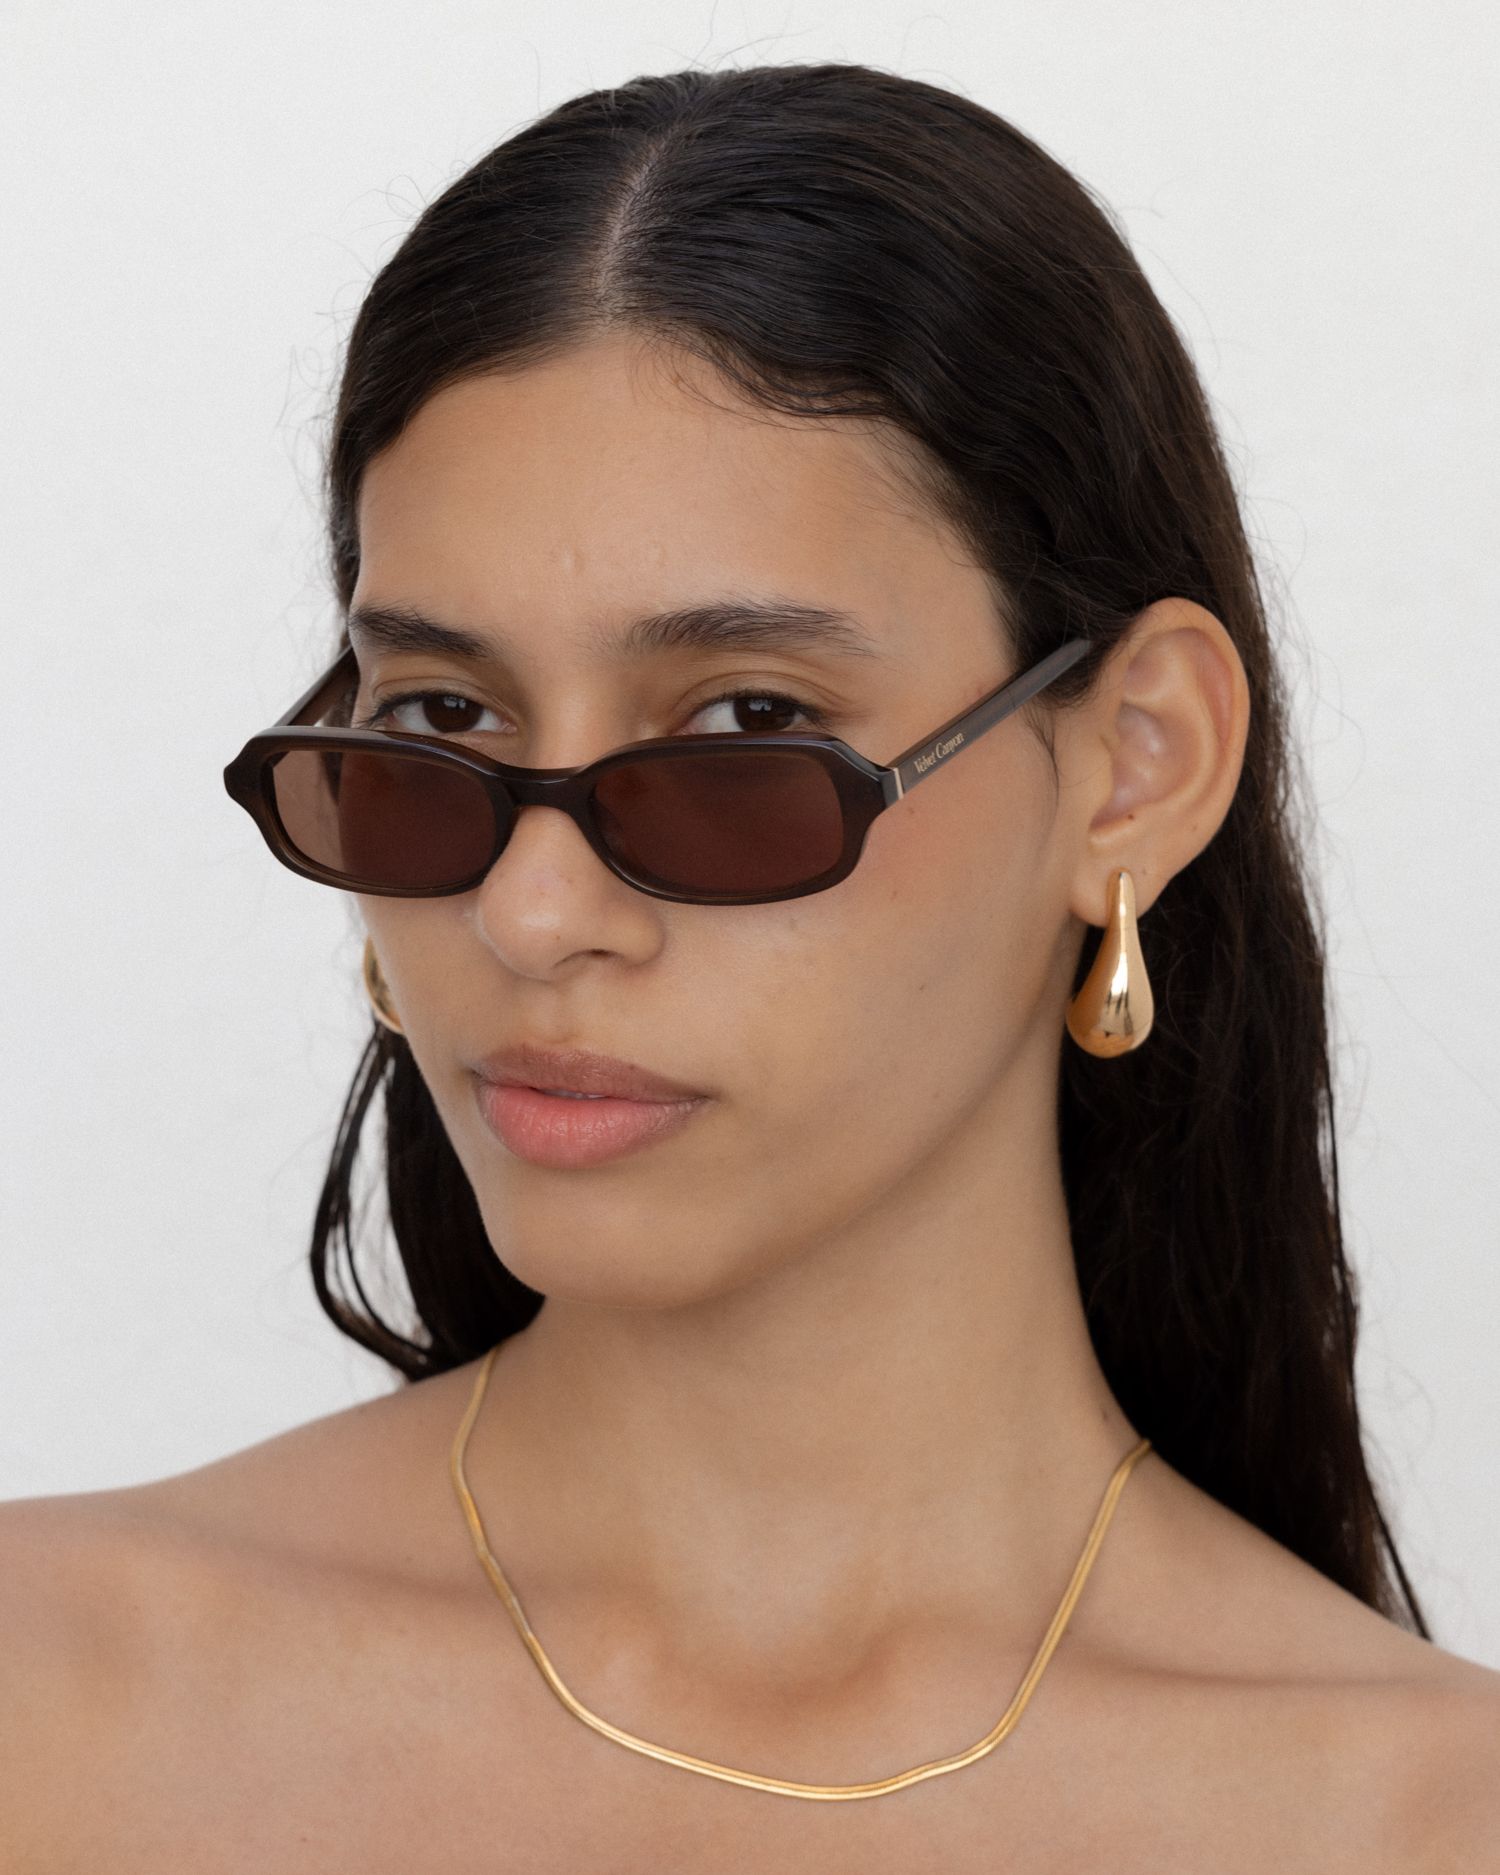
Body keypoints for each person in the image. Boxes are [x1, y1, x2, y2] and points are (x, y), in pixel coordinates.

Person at [3, 60, 1496, 1869]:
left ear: (1135, 767)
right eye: (443, 717)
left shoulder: (1430, 1817)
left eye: (746, 725)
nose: (535, 915)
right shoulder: (47, 1698)